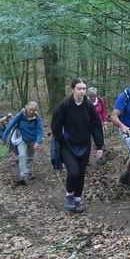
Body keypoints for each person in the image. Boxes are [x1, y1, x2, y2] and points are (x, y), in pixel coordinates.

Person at [51, 78, 104, 213]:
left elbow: (96, 126)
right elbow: (55, 125)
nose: (82, 91)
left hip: (84, 145)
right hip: (67, 145)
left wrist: (99, 146)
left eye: (84, 89)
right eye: (79, 89)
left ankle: (78, 200)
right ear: (73, 89)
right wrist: (61, 139)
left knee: (80, 173)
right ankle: (69, 195)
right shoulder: (65, 105)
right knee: (73, 172)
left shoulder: (89, 106)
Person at [1, 102, 44, 185]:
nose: (31, 112)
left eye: (34, 110)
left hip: (32, 139)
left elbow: (40, 130)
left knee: (30, 156)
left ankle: (29, 172)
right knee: (22, 155)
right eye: (30, 110)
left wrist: (37, 142)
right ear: (26, 108)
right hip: (22, 138)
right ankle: (23, 176)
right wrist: (4, 138)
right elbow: (11, 125)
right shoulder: (21, 115)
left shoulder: (37, 117)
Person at [87, 87, 108, 165]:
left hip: (98, 123)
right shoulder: (85, 101)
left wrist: (105, 123)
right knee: (87, 140)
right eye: (90, 96)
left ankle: (99, 159)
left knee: (99, 140)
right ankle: (86, 160)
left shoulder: (100, 100)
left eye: (94, 96)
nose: (92, 98)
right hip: (87, 124)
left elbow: (104, 112)